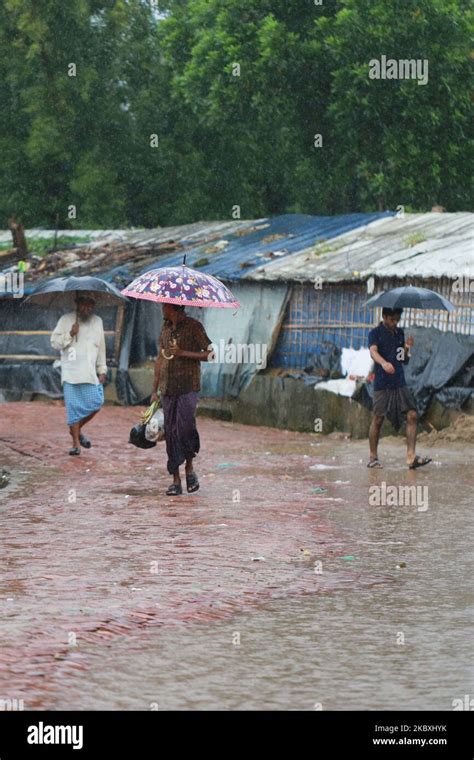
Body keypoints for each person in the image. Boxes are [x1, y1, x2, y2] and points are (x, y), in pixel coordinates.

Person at [151, 304, 212, 495]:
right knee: (170, 431)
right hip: (168, 388)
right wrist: (154, 390)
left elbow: (210, 354)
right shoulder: (165, 328)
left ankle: (190, 468)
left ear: (174, 307)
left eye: (165, 305)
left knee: (186, 428)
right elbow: (160, 359)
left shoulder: (195, 327)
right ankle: (175, 480)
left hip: (188, 386)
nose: (162, 307)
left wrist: (183, 353)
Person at [367, 307, 431, 470]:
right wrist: (383, 363)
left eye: (397, 320)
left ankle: (411, 456)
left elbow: (402, 359)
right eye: (391, 319)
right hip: (382, 383)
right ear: (384, 317)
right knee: (378, 418)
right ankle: (373, 458)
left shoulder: (399, 333)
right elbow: (373, 352)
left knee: (412, 415)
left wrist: (407, 348)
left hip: (399, 382)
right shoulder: (375, 333)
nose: (394, 323)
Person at [51, 294, 107, 455]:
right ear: (77, 304)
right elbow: (54, 343)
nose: (86, 309)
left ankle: (77, 430)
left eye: (90, 306)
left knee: (97, 403)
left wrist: (102, 369)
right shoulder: (66, 320)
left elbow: (101, 348)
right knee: (73, 410)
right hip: (70, 373)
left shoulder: (98, 322)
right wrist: (70, 334)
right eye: (83, 305)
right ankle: (76, 444)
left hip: (89, 373)